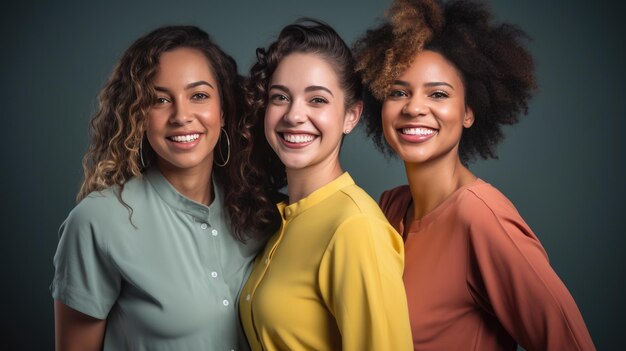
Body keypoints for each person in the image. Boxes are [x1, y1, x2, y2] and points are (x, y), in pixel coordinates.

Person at [353, 0, 596, 350]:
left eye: (438, 94)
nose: (414, 107)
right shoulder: (391, 208)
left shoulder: (481, 218)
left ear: (468, 112)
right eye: (398, 92)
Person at [50, 25, 280, 351]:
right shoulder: (97, 222)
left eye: (198, 95)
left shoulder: (265, 213)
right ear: (139, 115)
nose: (181, 116)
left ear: (224, 110)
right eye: (159, 99)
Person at [237, 19, 413, 351]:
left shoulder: (355, 227)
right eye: (280, 97)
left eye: (317, 100)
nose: (294, 115)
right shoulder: (283, 221)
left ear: (351, 115)